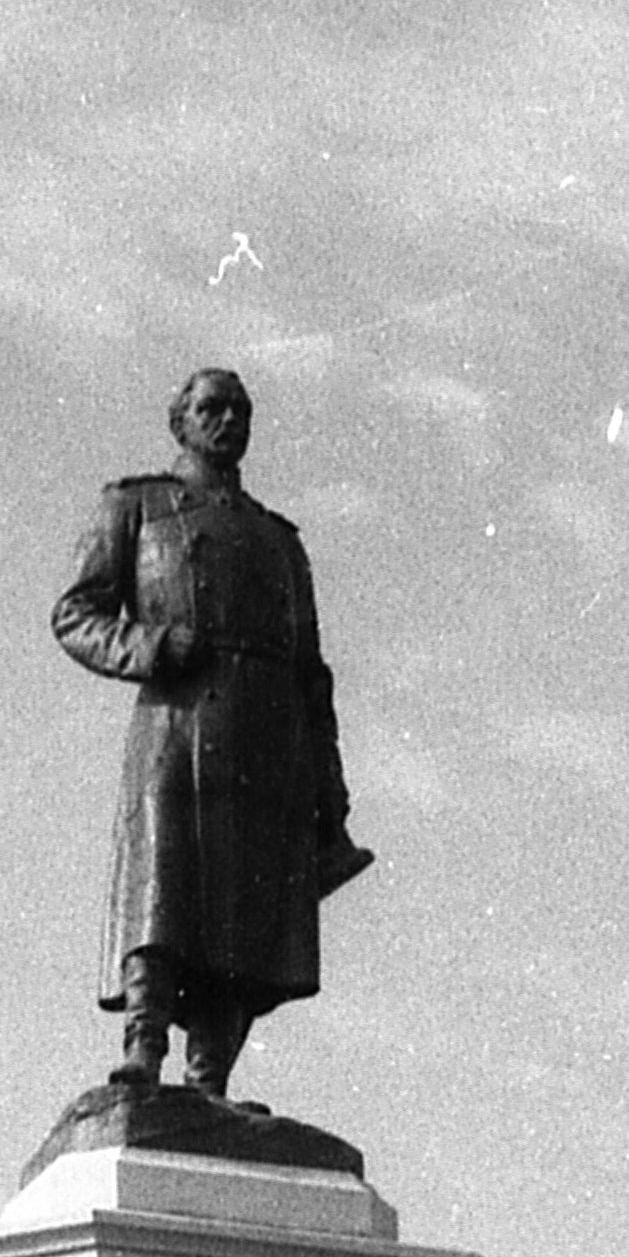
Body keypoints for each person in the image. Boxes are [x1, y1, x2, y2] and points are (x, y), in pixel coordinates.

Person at [53, 365, 372, 1102]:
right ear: (182, 421)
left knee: (245, 911)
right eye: (212, 408)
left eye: (240, 410)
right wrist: (151, 646)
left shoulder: (279, 541)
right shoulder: (136, 506)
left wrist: (330, 790)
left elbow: (311, 675)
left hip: (268, 741)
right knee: (163, 886)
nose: (228, 421)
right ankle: (143, 1049)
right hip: (179, 723)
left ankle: (209, 1081)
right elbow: (75, 614)